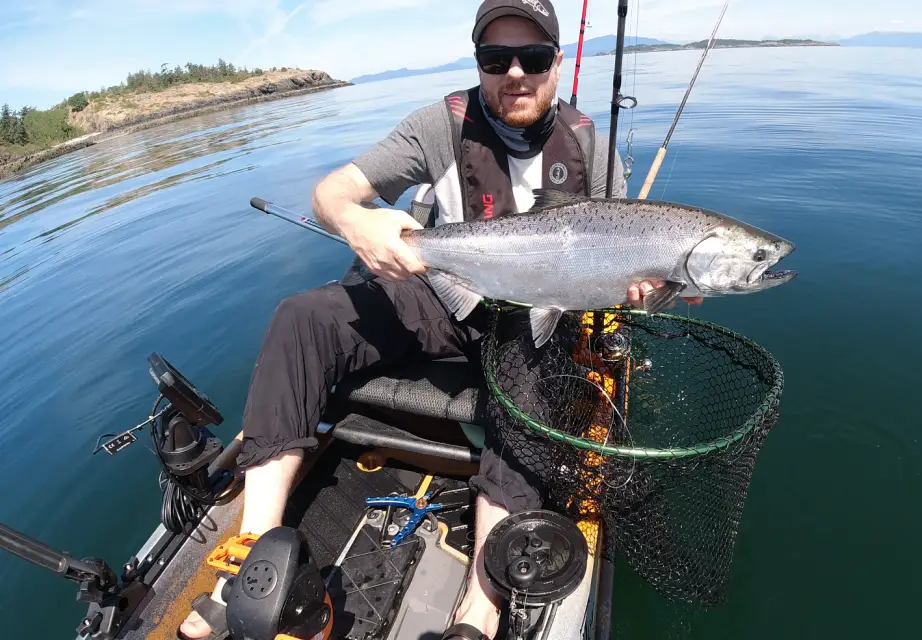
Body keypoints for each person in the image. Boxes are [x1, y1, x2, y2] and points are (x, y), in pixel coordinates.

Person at [178, 1, 695, 638]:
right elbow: (329, 194)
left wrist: (643, 293)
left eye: (532, 58)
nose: (514, 74)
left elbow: (621, 276)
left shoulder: (593, 150)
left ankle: (479, 602)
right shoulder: (439, 126)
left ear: (556, 63)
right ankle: (252, 553)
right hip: (442, 293)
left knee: (529, 385)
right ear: (477, 65)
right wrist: (358, 223)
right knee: (302, 317)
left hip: (536, 319)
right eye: (494, 59)